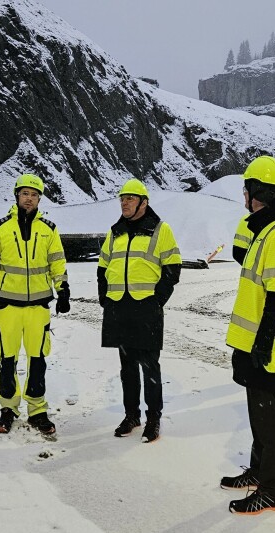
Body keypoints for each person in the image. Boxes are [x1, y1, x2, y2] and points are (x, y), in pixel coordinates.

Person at [222, 156, 275, 515]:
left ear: (256, 192)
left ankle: (272, 490)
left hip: (268, 347)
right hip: (255, 343)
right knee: (259, 414)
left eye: (247, 189)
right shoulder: (264, 231)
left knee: (269, 420)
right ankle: (257, 472)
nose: (244, 196)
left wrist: (263, 342)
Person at [0, 174, 69, 436]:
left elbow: (57, 265)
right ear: (16, 196)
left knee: (38, 360)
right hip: (6, 307)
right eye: (24, 193)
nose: (29, 199)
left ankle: (37, 409)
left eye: (34, 194)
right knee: (7, 360)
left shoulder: (49, 230)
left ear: (40, 198)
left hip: (38, 307)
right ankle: (8, 409)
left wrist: (63, 292)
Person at [98, 179, 181, 443]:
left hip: (146, 307)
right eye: (122, 199)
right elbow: (103, 266)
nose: (124, 203)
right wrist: (105, 298)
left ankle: (153, 418)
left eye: (130, 199)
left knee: (150, 367)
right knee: (127, 367)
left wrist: (157, 300)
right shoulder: (115, 232)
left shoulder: (160, 229)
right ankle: (131, 415)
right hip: (119, 307)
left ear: (144, 203)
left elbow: (172, 268)